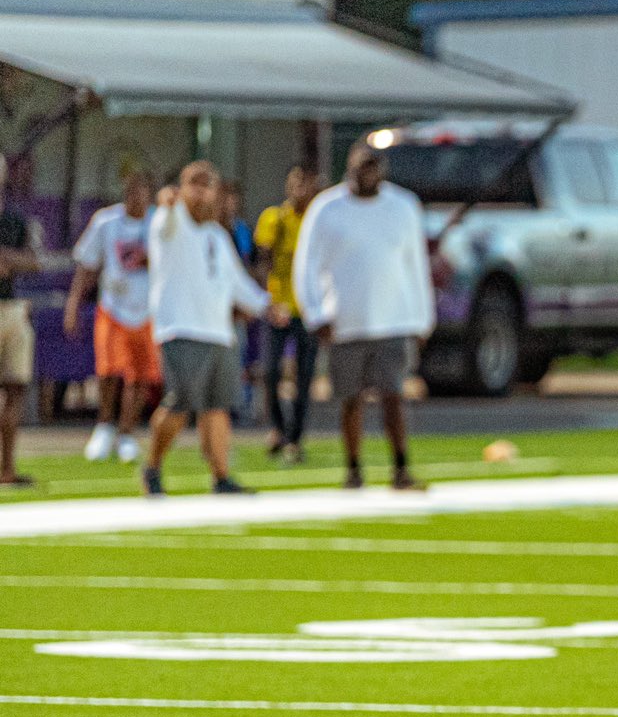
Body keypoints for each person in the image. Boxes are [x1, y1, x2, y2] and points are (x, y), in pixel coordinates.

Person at [295, 142, 435, 491]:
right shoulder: (327, 208)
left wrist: (422, 317)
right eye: (360, 167)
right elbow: (307, 266)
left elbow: (416, 265)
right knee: (350, 399)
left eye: (372, 167)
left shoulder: (403, 206)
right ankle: (353, 468)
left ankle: (401, 468)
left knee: (393, 395)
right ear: (349, 168)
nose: (365, 173)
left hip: (393, 319)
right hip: (345, 320)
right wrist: (314, 314)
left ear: (381, 171)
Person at [141, 161, 268, 496]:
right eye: (194, 183)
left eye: (207, 184)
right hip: (180, 329)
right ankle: (152, 467)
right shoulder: (169, 222)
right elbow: (165, 220)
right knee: (180, 403)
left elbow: (236, 282)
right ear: (183, 187)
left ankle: (221, 476)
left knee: (217, 406)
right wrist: (168, 202)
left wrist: (266, 305)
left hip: (218, 332)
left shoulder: (216, 235)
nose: (201, 191)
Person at [66, 170, 159, 464]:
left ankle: (127, 432)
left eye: (143, 190)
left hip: (148, 310)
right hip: (113, 307)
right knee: (108, 370)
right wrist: (73, 304)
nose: (137, 197)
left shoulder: (159, 223)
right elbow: (87, 266)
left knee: (140, 375)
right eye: (132, 190)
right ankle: (104, 425)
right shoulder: (107, 222)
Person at [253, 166, 318, 462]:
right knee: (270, 372)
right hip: (279, 306)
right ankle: (278, 428)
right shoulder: (274, 218)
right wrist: (266, 299)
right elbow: (262, 260)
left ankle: (295, 437)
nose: (300, 189)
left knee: (304, 377)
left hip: (307, 308)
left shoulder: (317, 219)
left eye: (305, 183)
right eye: (295, 182)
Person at [0, 154, 47, 488]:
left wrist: (7, 259)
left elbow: (33, 261)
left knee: (16, 387)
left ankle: (8, 467)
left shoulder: (13, 220)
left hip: (11, 307)